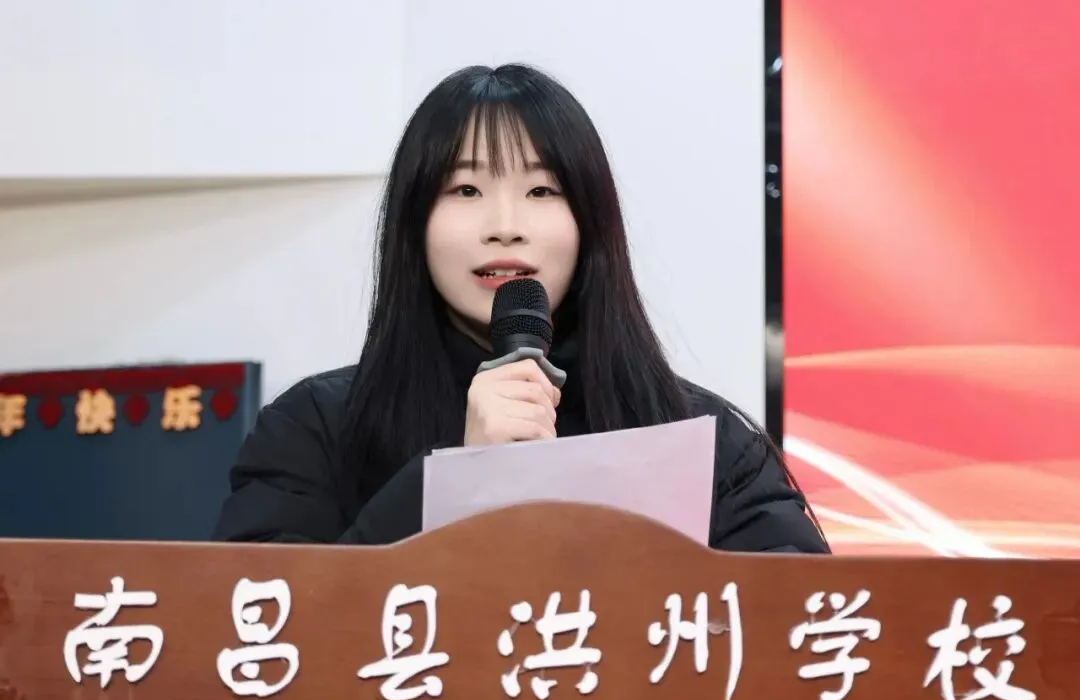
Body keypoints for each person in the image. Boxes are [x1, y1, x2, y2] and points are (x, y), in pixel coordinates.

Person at [212, 64, 830, 553]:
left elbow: (804, 631)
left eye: (540, 190)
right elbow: (264, 633)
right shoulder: (312, 430)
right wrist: (458, 478)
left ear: (590, 223)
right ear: (413, 224)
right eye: (466, 189)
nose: (505, 226)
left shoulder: (703, 437)